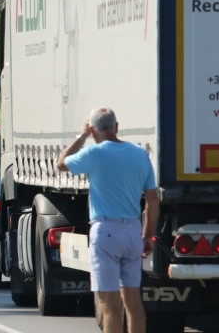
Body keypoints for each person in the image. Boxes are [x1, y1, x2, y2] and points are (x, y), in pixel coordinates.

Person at [57, 107, 159, 333]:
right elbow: (152, 199)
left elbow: (61, 164)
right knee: (133, 302)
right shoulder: (140, 154)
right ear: (117, 127)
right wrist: (147, 234)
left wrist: (81, 137)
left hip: (106, 232)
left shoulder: (94, 154)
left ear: (92, 130)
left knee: (110, 305)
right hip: (132, 231)